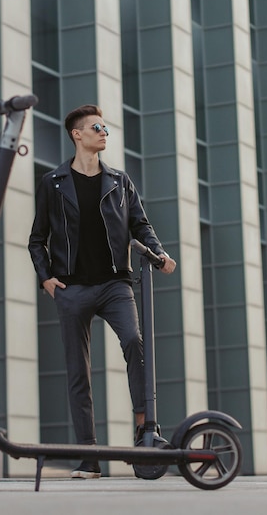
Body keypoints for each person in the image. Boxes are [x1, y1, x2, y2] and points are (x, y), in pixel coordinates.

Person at [28, 104, 176, 479]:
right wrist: (46, 277)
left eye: (105, 127)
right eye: (97, 127)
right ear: (77, 134)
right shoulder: (53, 182)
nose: (104, 131)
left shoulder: (120, 181)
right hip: (72, 288)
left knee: (134, 343)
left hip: (114, 284)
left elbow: (140, 224)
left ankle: (145, 431)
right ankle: (89, 459)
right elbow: (37, 239)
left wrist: (157, 251)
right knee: (79, 373)